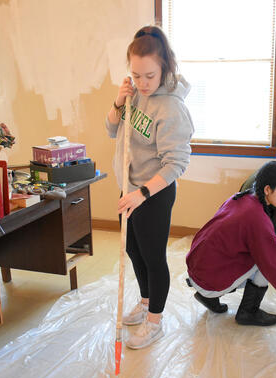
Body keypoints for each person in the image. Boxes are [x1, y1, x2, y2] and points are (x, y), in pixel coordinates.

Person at [105, 26, 194, 349]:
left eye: (150, 76)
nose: (142, 83)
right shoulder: (134, 95)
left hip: (152, 194)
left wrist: (141, 194)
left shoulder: (171, 109)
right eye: (136, 75)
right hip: (129, 188)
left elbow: (176, 164)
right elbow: (112, 130)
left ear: (165, 68)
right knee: (133, 250)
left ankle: (154, 320)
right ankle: (144, 303)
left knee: (153, 257)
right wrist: (119, 100)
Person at [186, 161, 276, 326]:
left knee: (271, 248)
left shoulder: (240, 198)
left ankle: (207, 297)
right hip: (209, 281)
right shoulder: (257, 220)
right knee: (274, 252)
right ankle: (249, 312)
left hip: (197, 271)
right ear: (267, 189)